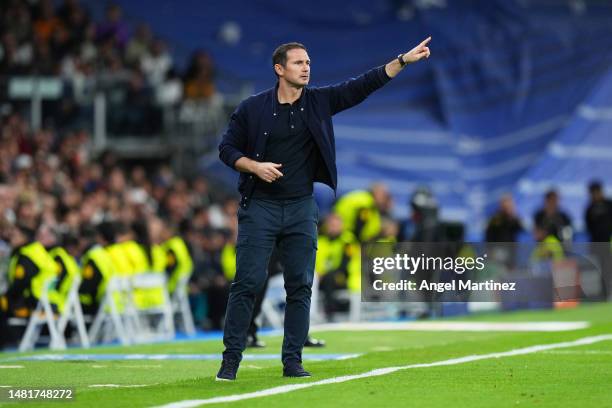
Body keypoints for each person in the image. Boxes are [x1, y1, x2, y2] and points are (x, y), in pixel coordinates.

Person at [216, 37, 431, 380]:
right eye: (299, 63)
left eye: (308, 63)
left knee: (300, 285)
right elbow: (226, 149)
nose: (306, 68)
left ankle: (292, 361)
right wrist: (253, 167)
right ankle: (230, 360)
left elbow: (362, 86)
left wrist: (402, 60)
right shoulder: (252, 108)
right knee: (248, 282)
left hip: (302, 206)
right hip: (260, 206)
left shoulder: (318, 102)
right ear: (279, 69)